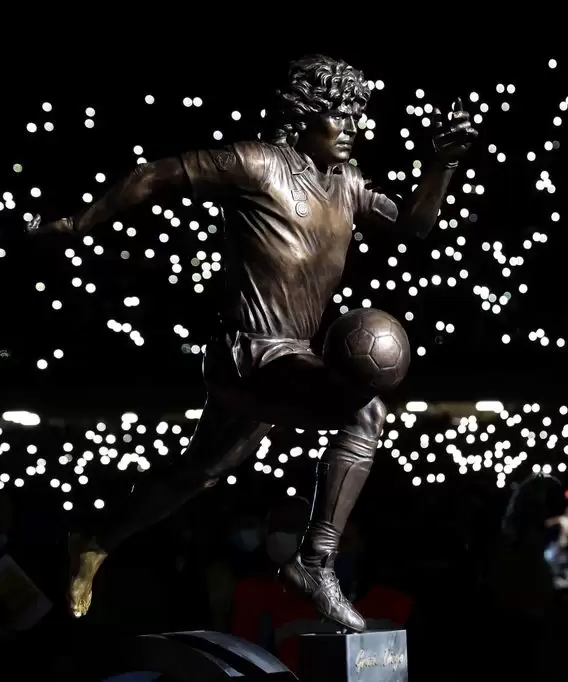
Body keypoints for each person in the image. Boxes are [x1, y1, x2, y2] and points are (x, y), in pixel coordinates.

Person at [29, 54, 477, 631]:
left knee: (200, 472)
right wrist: (78, 225)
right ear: (301, 118)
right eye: (338, 116)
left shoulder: (347, 184)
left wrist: (442, 163)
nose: (353, 129)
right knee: (364, 412)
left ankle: (95, 540)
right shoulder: (255, 163)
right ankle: (316, 561)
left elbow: (414, 225)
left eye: (356, 116)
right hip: (249, 354)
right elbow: (154, 176)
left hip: (289, 360)